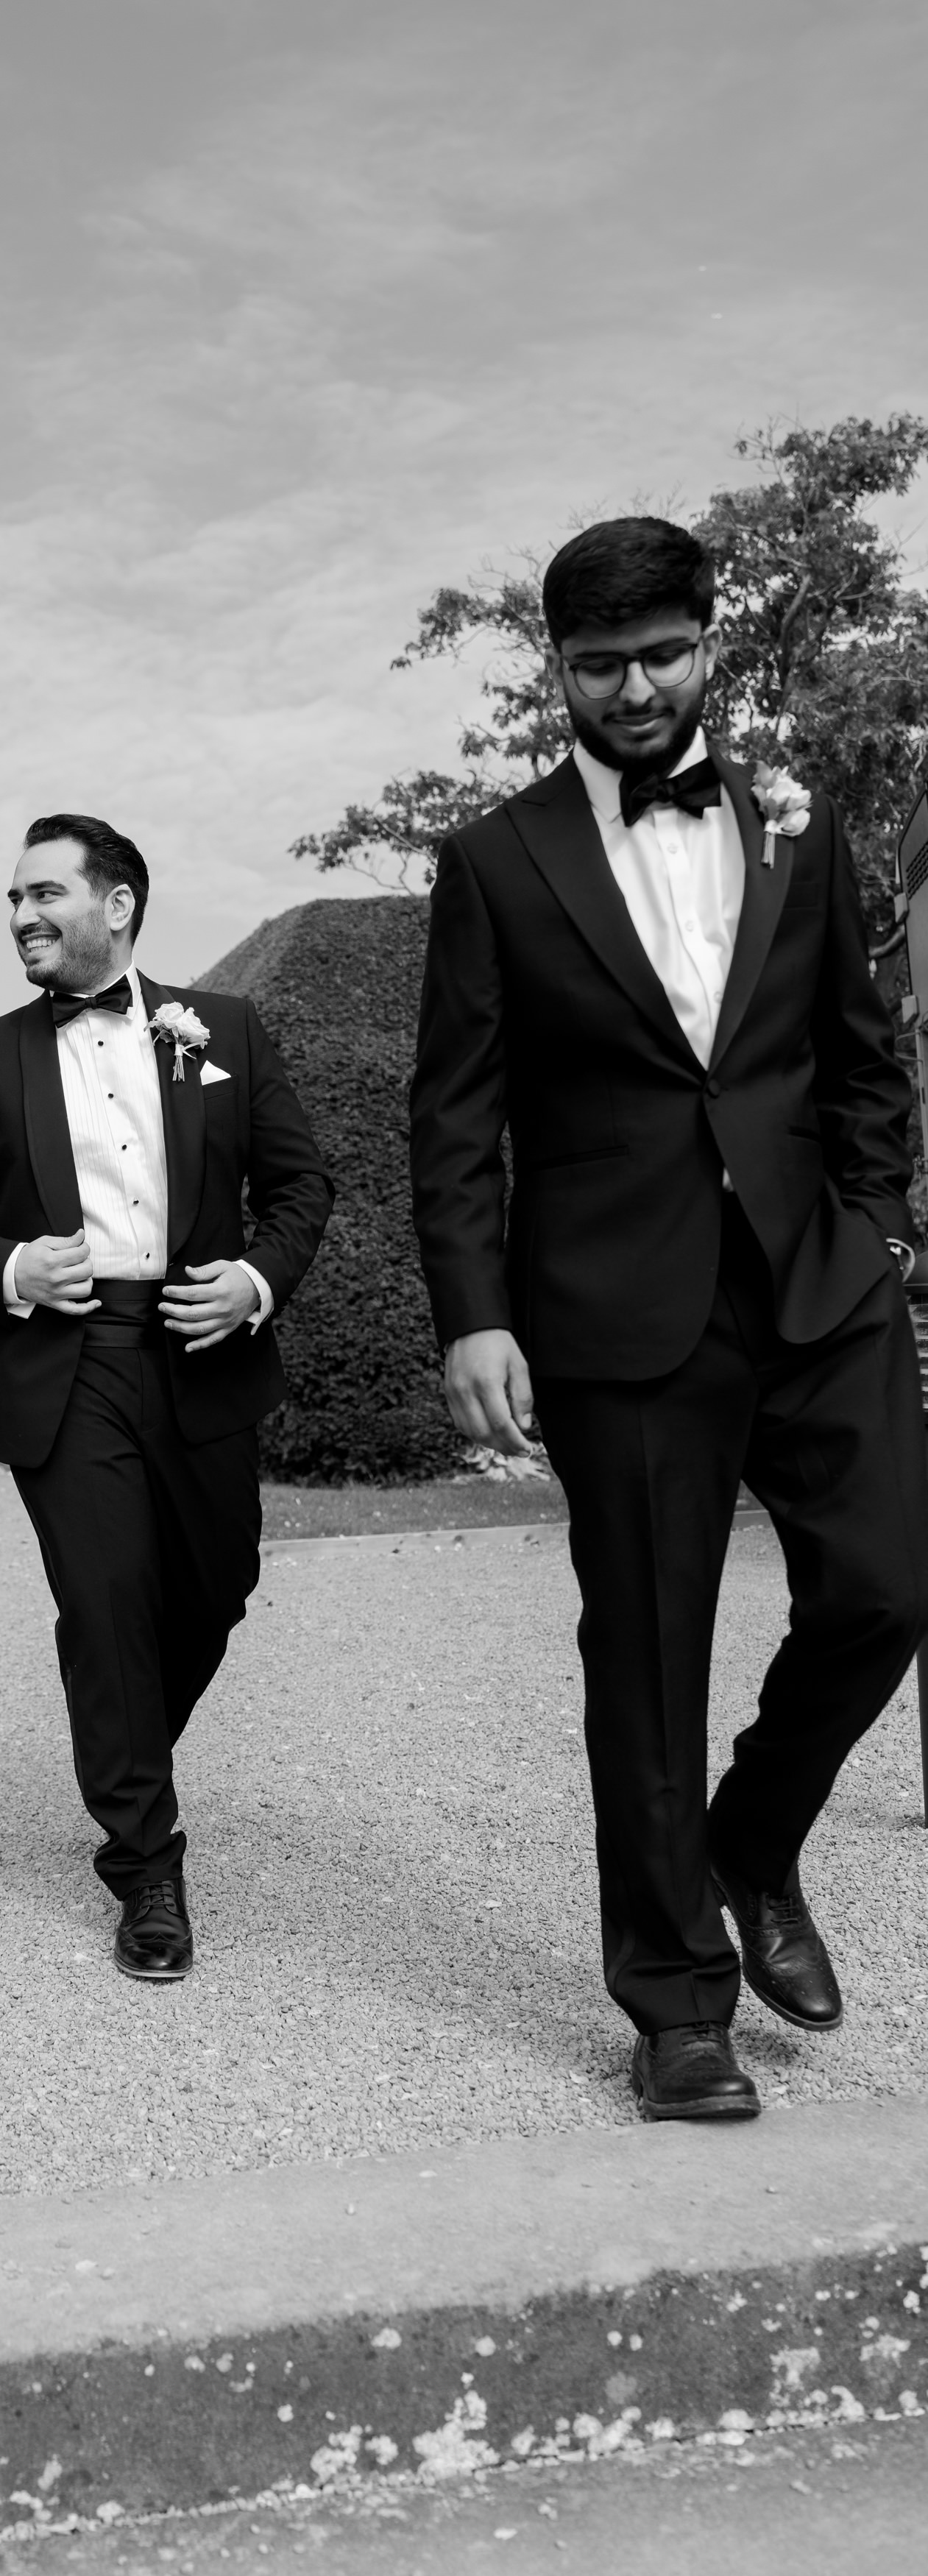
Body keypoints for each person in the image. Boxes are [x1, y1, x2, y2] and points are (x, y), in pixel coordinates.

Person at [410, 516, 928, 2121]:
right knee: (644, 1659)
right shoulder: (495, 863)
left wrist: (884, 1225)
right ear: (553, 669)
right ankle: (675, 1999)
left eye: (663, 656)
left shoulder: (800, 820)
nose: (635, 691)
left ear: (712, 643)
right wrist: (473, 1316)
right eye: (598, 664)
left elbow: (860, 1049)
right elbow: (454, 1114)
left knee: (888, 1588)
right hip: (616, 1311)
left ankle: (753, 1837)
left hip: (819, 1280)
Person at [0, 815, 332, 1979]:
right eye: (13, 899)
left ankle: (126, 1746)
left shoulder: (222, 1029)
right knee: (103, 1602)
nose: (21, 917)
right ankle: (144, 1859)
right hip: (66, 1360)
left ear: (119, 905)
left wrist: (253, 1281)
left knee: (215, 1586)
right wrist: (7, 1268)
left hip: (201, 1347)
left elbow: (299, 1182)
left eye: (44, 894)